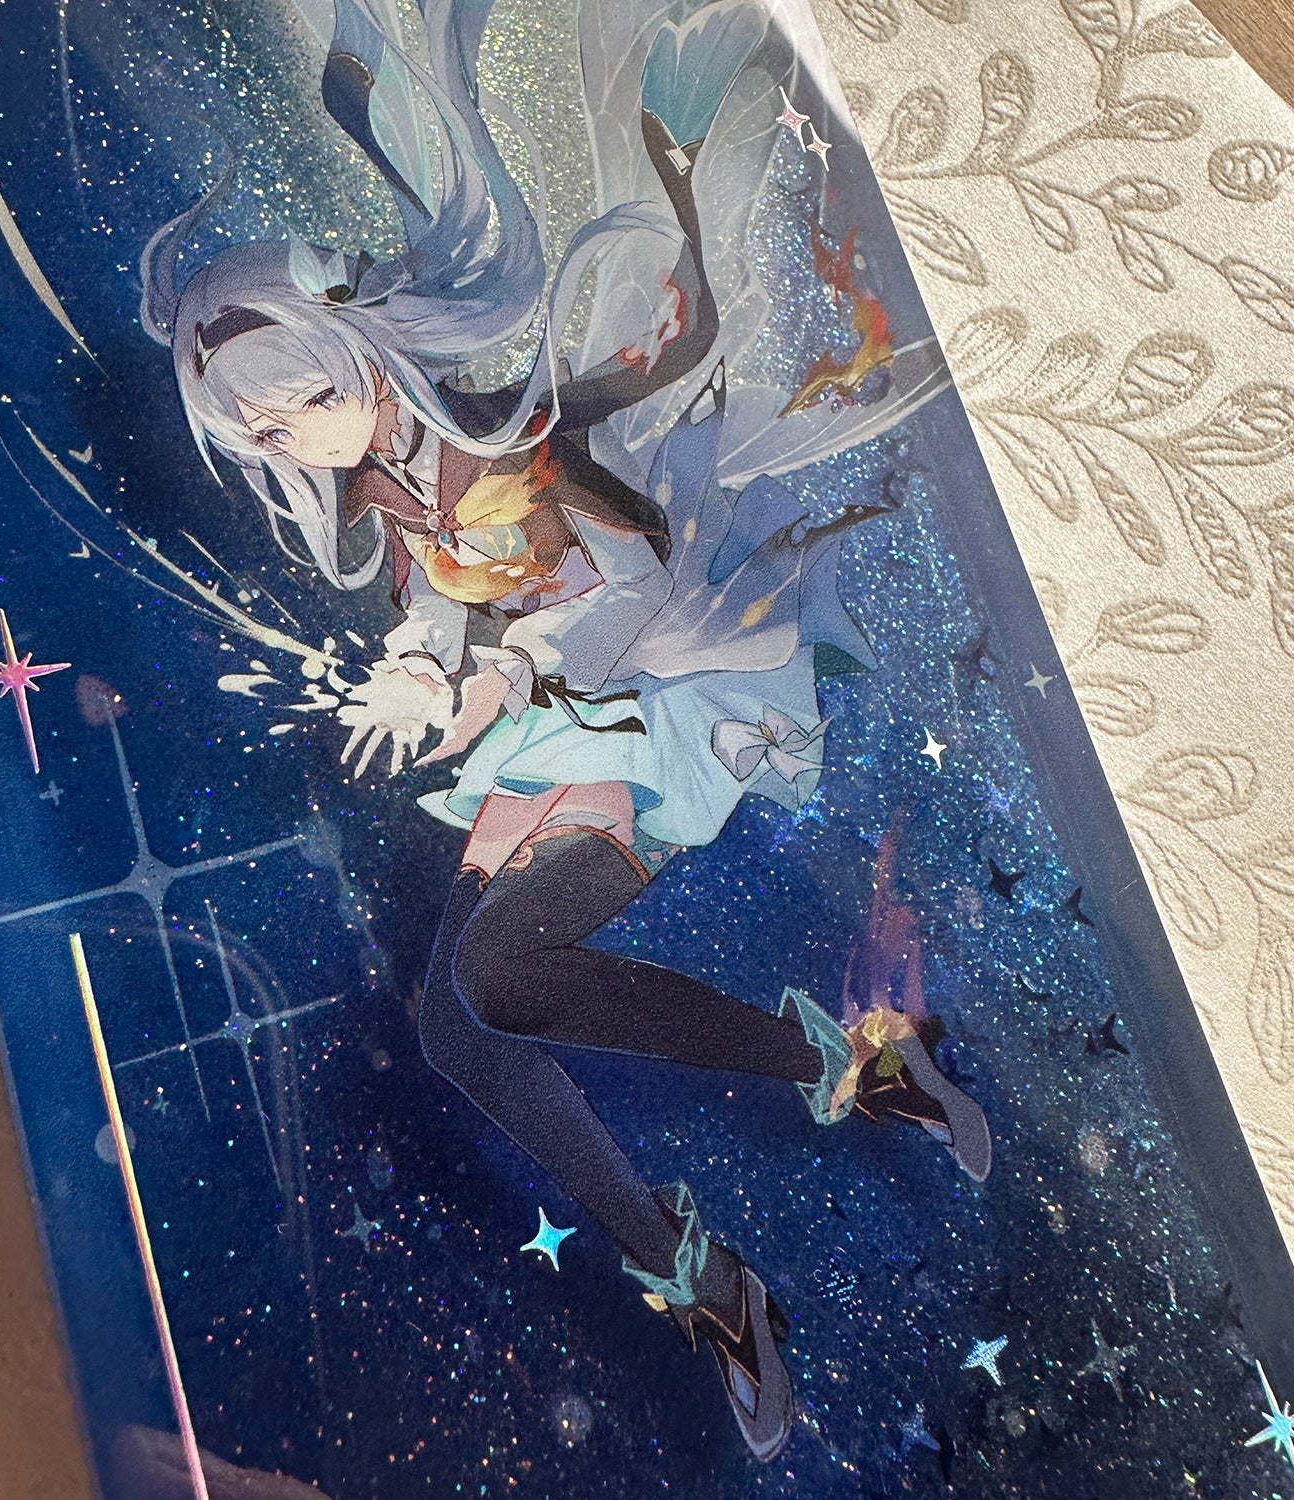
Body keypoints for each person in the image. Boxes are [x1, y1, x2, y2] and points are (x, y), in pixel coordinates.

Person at [141, 0, 989, 1459]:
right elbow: (444, 596)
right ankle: (708, 1278)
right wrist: (424, 669)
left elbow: (629, 575)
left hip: (643, 705)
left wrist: (500, 677)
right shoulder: (389, 486)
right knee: (458, 1033)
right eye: (261, 434)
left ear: (347, 349)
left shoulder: (499, 438)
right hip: (546, 737)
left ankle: (855, 1066)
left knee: (499, 972)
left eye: (299, 400)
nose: (296, 438)